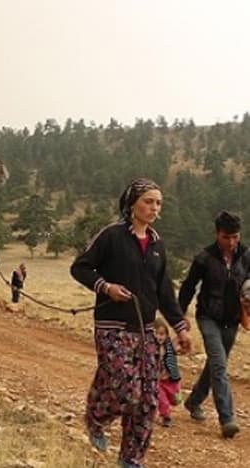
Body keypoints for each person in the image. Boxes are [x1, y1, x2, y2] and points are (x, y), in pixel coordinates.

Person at [70, 178, 191, 468]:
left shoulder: (158, 244)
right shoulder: (111, 236)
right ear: (132, 203)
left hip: (146, 331)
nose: (154, 208)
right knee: (127, 390)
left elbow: (164, 292)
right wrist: (105, 286)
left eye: (158, 203)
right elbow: (80, 267)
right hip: (112, 326)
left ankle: (130, 459)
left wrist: (181, 327)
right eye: (148, 201)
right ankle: (96, 418)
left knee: (148, 401)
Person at [178, 210, 248, 439]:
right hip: (208, 317)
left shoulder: (246, 255)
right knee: (219, 365)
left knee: (215, 365)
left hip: (233, 319)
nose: (231, 242)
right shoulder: (204, 258)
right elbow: (189, 286)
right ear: (217, 233)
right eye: (226, 237)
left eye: (235, 237)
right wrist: (180, 315)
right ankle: (227, 418)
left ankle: (194, 400)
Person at [154, 318, 182, 428]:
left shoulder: (169, 346)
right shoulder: (150, 348)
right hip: (158, 381)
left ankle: (169, 407)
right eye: (156, 334)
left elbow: (179, 340)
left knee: (175, 400)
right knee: (162, 400)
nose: (159, 337)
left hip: (171, 379)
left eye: (161, 334)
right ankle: (166, 416)